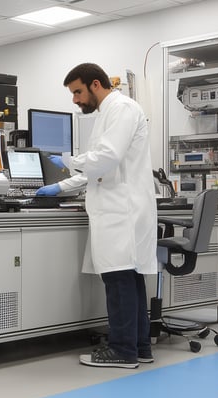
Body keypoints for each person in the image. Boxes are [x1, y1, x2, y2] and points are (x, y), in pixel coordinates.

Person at [35, 63, 157, 368]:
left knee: (119, 281)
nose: (75, 99)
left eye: (77, 92)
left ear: (95, 85)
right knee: (129, 279)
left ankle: (122, 351)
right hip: (119, 208)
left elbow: (105, 158)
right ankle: (139, 346)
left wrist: (67, 160)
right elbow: (99, 168)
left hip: (121, 211)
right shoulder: (109, 113)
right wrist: (61, 184)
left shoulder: (122, 109)